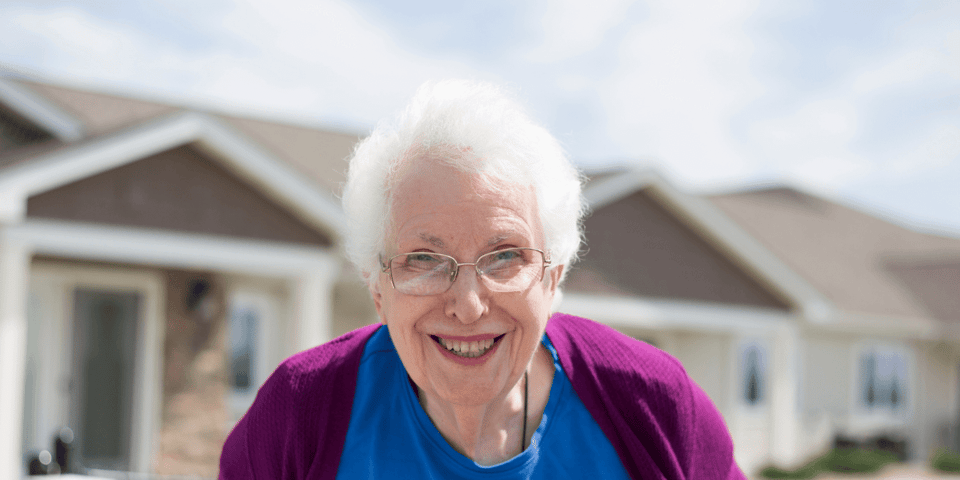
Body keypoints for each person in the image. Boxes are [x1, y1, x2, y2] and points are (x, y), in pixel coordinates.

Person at [219, 80, 746, 479]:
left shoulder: (653, 405)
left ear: (552, 279)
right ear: (378, 289)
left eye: (505, 256)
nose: (468, 305)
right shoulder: (298, 412)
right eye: (423, 259)